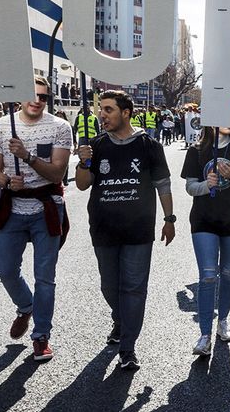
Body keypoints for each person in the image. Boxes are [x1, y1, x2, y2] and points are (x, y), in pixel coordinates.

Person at [75, 91, 176, 370]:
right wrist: (83, 162)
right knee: (109, 286)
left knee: (133, 288)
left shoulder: (149, 146)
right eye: (101, 110)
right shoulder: (95, 146)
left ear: (126, 113)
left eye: (108, 110)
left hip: (138, 230)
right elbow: (82, 184)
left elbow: (163, 185)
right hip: (104, 228)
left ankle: (128, 347)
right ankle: (120, 320)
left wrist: (169, 219)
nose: (102, 115)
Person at [0, 76, 74, 362]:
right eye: (33, 94)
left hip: (46, 208)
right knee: (5, 270)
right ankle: (26, 306)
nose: (37, 101)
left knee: (45, 278)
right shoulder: (1, 126)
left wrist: (26, 155)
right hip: (12, 209)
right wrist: (5, 182)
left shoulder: (60, 127)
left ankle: (41, 336)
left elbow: (57, 173)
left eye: (43, 97)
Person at [182, 122, 230, 356]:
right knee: (207, 276)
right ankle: (204, 335)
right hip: (204, 220)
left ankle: (223, 320)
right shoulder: (196, 150)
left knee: (228, 272)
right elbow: (190, 187)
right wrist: (207, 185)